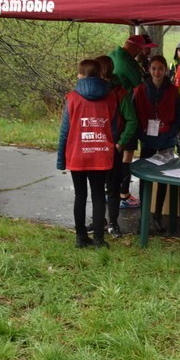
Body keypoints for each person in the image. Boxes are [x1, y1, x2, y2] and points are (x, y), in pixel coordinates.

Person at [56, 59, 118, 248]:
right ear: (101, 75)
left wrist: (61, 159)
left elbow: (65, 131)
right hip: (100, 153)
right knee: (99, 195)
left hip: (78, 154)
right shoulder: (110, 98)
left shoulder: (72, 98)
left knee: (80, 195)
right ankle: (99, 239)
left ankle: (81, 237)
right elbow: (114, 129)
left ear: (80, 75)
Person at [132, 55, 180, 232]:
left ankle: (157, 216)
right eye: (154, 68)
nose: (157, 72)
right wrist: (141, 134)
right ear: (149, 69)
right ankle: (144, 217)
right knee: (145, 179)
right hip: (147, 140)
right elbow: (133, 116)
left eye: (160, 68)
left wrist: (171, 133)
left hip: (166, 141)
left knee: (163, 179)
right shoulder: (139, 91)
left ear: (165, 70)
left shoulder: (173, 91)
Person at [110, 33, 157, 209]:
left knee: (117, 151)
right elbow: (143, 85)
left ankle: (113, 191)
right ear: (137, 48)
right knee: (128, 152)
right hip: (126, 112)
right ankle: (123, 193)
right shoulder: (129, 62)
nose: (145, 52)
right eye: (144, 49)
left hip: (112, 113)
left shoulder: (113, 55)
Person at [93, 55, 137, 238]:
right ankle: (99, 222)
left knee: (112, 187)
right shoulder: (93, 91)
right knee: (96, 188)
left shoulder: (120, 93)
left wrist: (120, 144)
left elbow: (132, 120)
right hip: (95, 145)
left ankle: (113, 223)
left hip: (112, 147)